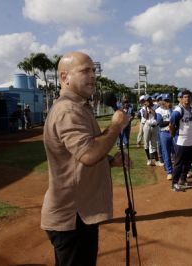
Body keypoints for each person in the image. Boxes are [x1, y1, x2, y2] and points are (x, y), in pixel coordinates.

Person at [41, 51, 131, 266]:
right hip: (73, 217)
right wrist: (116, 126)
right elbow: (89, 154)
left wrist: (110, 161)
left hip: (79, 215)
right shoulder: (68, 110)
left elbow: (79, 156)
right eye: (84, 71)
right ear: (65, 77)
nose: (92, 76)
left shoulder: (80, 107)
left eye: (93, 70)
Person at [169, 90, 192, 192]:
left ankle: (183, 181)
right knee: (179, 163)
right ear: (181, 98)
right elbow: (171, 125)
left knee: (188, 163)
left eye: (188, 97)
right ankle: (174, 184)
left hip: (191, 141)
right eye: (185, 97)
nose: (187, 99)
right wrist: (173, 136)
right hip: (181, 141)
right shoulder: (179, 110)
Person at [156, 94, 174, 180]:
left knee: (176, 152)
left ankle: (178, 169)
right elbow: (160, 124)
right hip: (164, 133)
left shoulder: (172, 109)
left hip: (173, 133)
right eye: (165, 100)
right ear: (162, 101)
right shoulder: (158, 111)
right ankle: (169, 172)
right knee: (166, 153)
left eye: (168, 100)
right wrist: (170, 121)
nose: (167, 102)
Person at [141, 95, 162, 166]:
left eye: (148, 100)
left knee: (154, 144)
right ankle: (149, 159)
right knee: (146, 144)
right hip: (147, 126)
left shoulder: (156, 106)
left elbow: (155, 115)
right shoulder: (144, 108)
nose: (146, 102)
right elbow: (146, 117)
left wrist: (150, 108)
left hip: (154, 126)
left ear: (150, 100)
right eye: (145, 101)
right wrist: (146, 108)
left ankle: (156, 161)